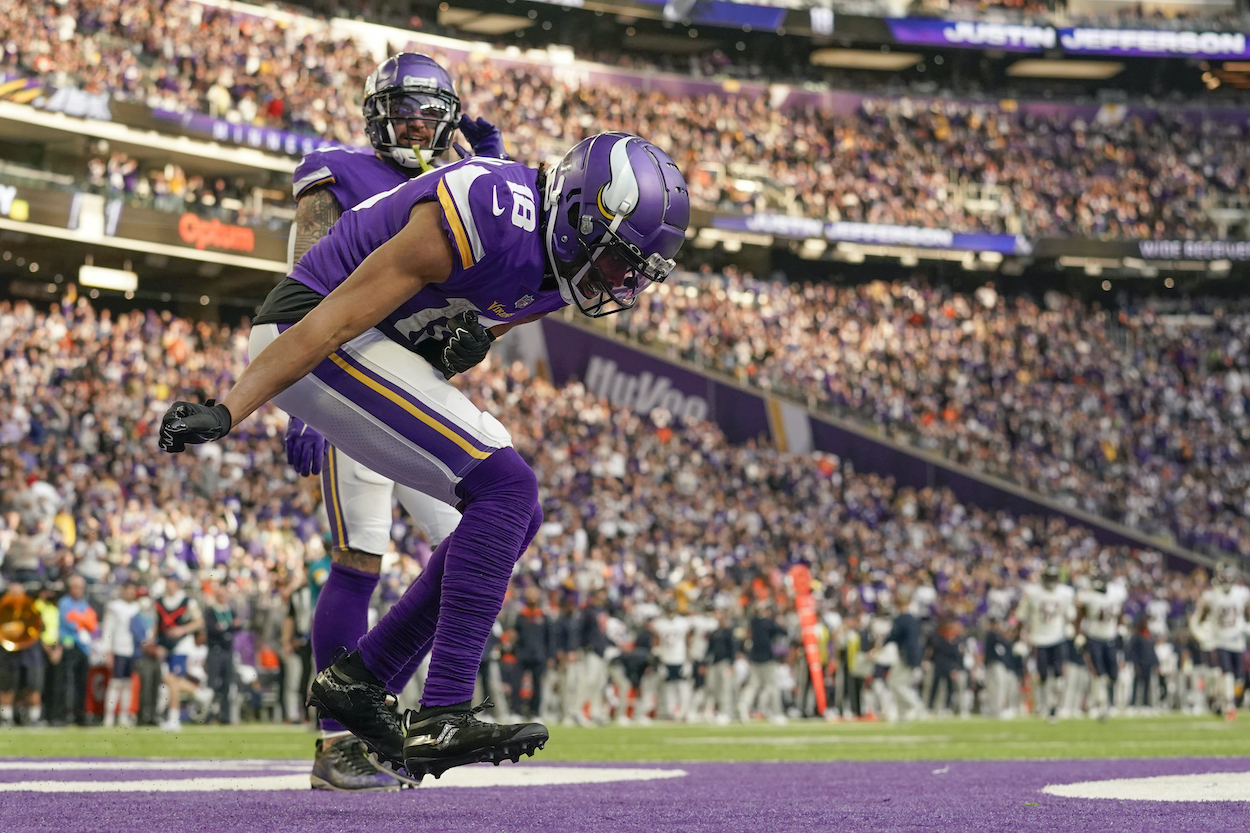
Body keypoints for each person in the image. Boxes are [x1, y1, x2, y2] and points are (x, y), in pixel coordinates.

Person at [158, 131, 689, 781]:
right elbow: (339, 315)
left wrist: (453, 353)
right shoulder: (490, 208)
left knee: (520, 514)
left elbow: (431, 343)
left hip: (375, 346)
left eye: (632, 273)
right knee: (506, 489)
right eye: (615, 263)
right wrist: (232, 407)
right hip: (313, 330)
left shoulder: (553, 273)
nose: (619, 283)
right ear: (581, 211)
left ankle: (364, 679)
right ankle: (443, 708)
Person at [285, 52, 505, 791]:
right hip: (353, 372)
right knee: (362, 556)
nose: (414, 124)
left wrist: (496, 173)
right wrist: (304, 384)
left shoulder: (462, 179)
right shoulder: (336, 171)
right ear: (376, 114)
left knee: (473, 541)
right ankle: (337, 741)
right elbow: (305, 277)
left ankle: (376, 705)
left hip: (420, 386)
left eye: (426, 111)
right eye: (401, 109)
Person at [1014, 564, 1075, 723]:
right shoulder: (1032, 593)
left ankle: (1054, 706)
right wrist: (1020, 638)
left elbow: (1070, 615)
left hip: (1058, 637)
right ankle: (1043, 704)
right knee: (1042, 674)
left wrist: (1069, 626)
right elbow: (1022, 616)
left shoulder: (1065, 593)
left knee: (1058, 673)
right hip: (1038, 638)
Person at [1197, 562, 1250, 721]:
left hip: (1237, 640)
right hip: (1220, 640)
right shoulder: (1211, 596)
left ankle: (1217, 699)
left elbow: (1247, 611)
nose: (1226, 580)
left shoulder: (1242, 593)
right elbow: (1202, 618)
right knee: (1227, 673)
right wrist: (1205, 631)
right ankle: (1229, 707)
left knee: (1238, 677)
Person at [1074, 574, 1124, 721]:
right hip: (1094, 639)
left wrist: (1121, 628)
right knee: (1098, 674)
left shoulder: (1114, 595)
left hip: (1111, 638)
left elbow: (1120, 613)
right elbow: (1078, 617)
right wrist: (1079, 635)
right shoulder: (1088, 597)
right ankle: (1101, 705)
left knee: (1113, 675)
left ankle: (1105, 702)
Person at [100, 583, 141, 728]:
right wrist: (107, 650)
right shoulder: (114, 607)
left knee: (128, 684)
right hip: (118, 648)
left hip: (132, 650)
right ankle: (109, 715)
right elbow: (108, 629)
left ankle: (124, 715)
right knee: (115, 683)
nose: (130, 594)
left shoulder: (137, 608)